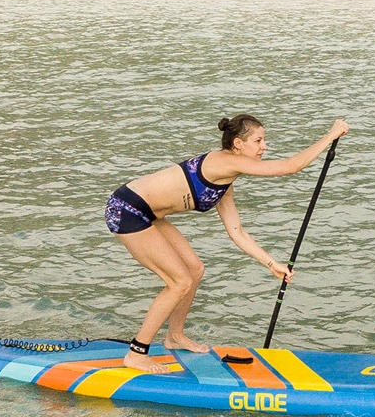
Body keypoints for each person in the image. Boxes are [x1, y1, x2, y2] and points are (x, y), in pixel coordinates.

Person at [106, 114, 348, 368]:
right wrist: (330, 136)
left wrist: (271, 263)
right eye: (258, 140)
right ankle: (136, 352)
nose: (264, 146)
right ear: (238, 144)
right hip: (126, 210)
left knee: (195, 270)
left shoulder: (225, 180)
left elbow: (237, 232)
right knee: (179, 281)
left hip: (149, 215)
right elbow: (289, 166)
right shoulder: (223, 162)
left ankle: (175, 336)